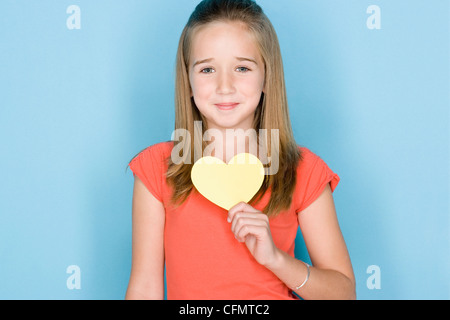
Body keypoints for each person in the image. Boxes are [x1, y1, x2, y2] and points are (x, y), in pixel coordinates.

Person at [125, 0, 355, 300]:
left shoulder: (303, 170)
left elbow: (344, 294)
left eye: (242, 68)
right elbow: (144, 288)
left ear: (266, 77)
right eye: (207, 69)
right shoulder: (157, 167)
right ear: (189, 81)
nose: (225, 86)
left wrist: (276, 259)